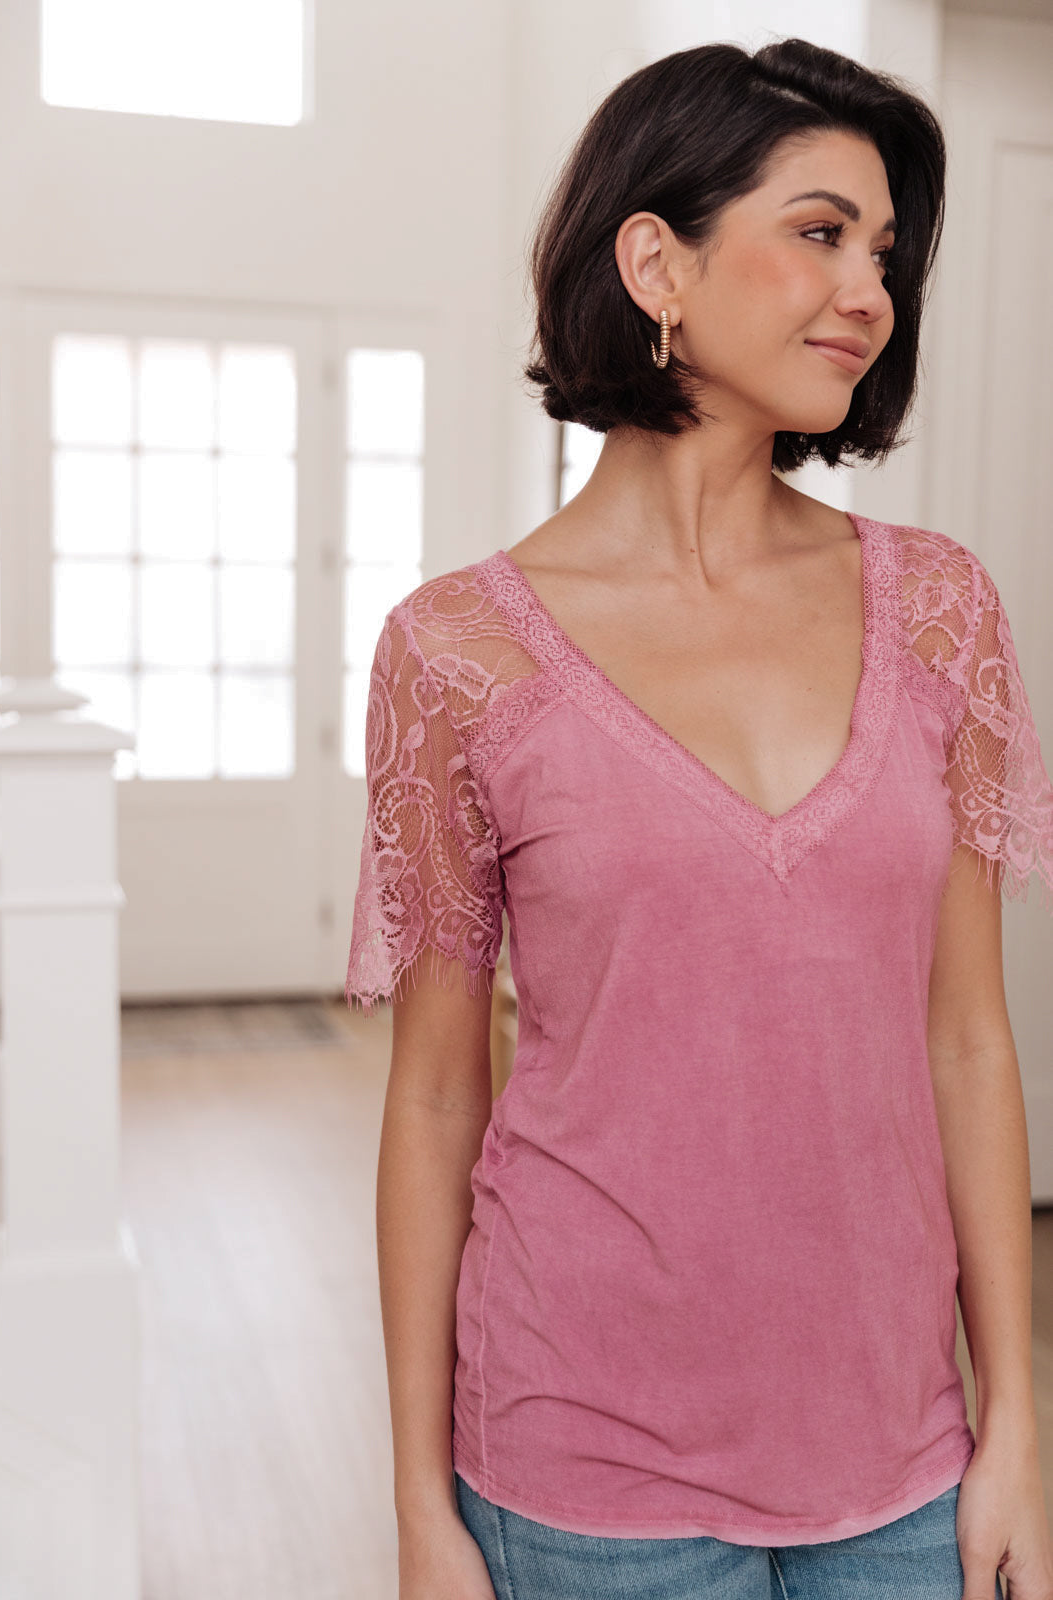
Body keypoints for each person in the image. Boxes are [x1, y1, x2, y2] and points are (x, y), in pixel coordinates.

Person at [343, 35, 1053, 1600]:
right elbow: (437, 1099)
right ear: (656, 262)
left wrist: (1018, 1424)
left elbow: (968, 1042)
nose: (870, 292)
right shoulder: (455, 653)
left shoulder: (941, 611)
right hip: (578, 1473)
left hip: (902, 1465)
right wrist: (416, 1508)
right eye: (822, 233)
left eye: (885, 254)